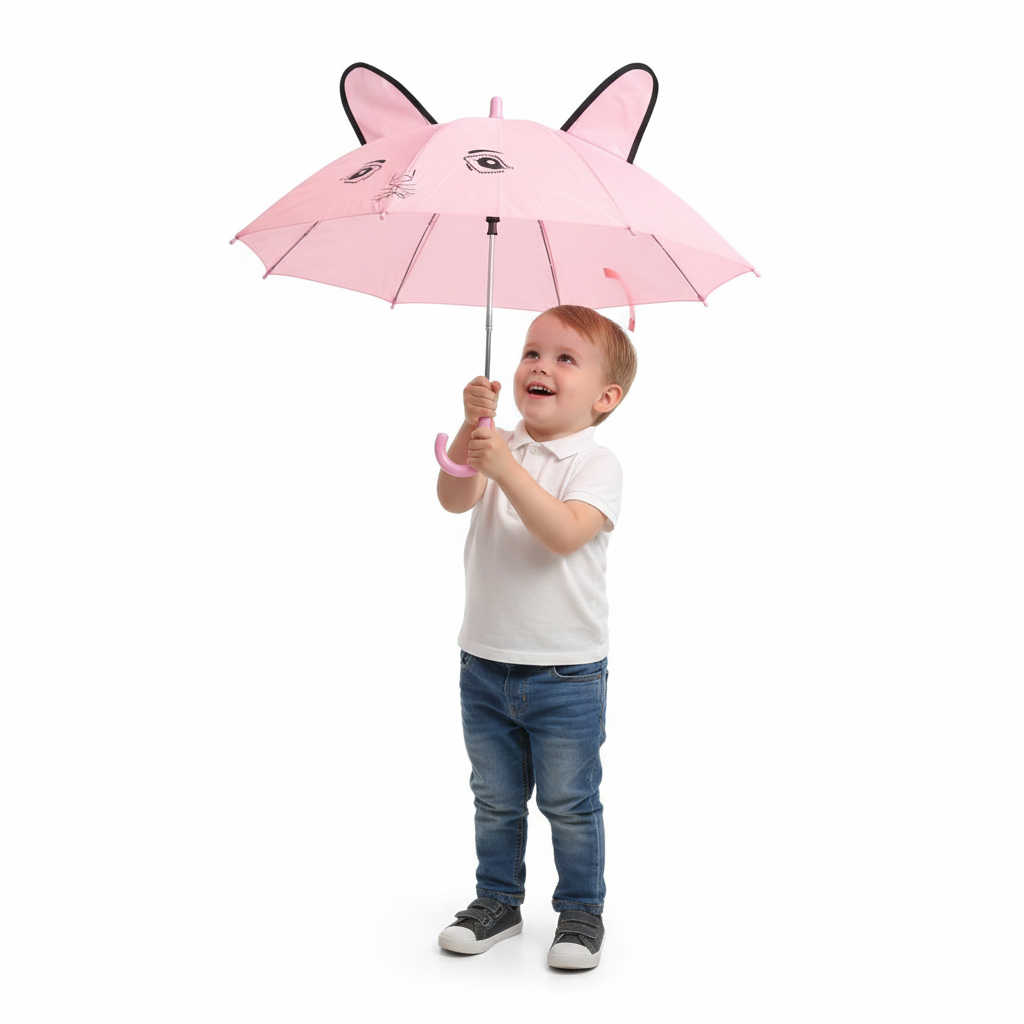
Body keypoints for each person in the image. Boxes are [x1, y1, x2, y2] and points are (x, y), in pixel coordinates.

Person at [435, 305, 637, 970]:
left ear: (606, 397)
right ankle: (497, 901)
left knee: (569, 802)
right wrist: (471, 427)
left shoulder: (596, 463)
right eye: (531, 352)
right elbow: (452, 498)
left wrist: (505, 469)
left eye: (564, 358)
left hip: (565, 673)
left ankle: (580, 911)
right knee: (494, 799)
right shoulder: (497, 443)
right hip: (484, 662)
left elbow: (562, 533)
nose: (539, 366)